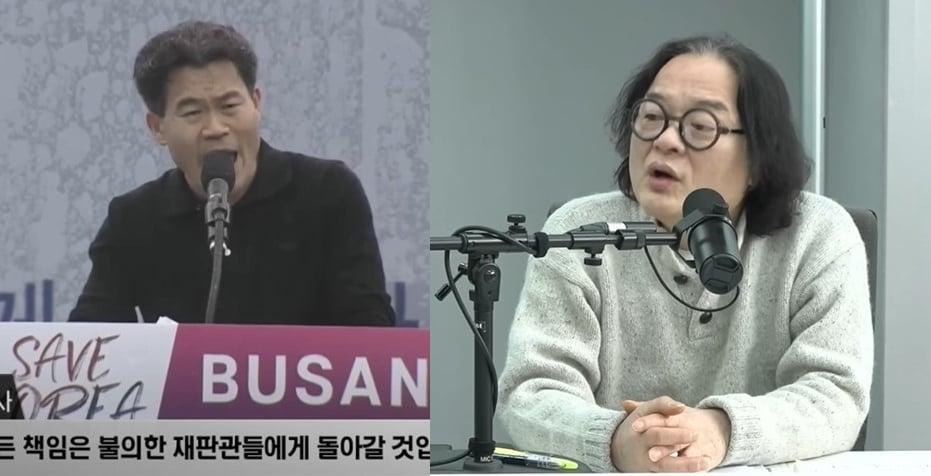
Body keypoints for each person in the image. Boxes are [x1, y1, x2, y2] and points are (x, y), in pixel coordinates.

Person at [497, 35, 873, 472]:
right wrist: (618, 440)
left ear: (757, 157)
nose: (666, 141)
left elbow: (836, 394)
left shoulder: (818, 234)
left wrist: (720, 430)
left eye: (700, 126)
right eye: (651, 117)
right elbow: (531, 392)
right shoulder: (577, 232)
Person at [69, 21, 394, 327]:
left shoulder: (328, 192)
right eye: (192, 112)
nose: (215, 128)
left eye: (229, 106)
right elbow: (88, 345)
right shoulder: (134, 219)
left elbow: (371, 336)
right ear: (157, 128)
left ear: (256, 104)